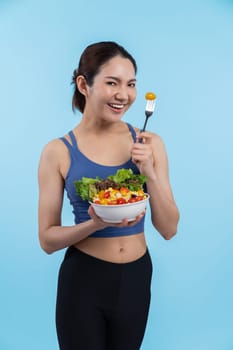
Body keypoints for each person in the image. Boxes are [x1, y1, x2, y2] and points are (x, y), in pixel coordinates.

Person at [38, 41, 179, 350]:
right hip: (84, 279)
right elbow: (47, 240)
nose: (123, 95)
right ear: (83, 85)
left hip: (136, 277)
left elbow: (169, 229)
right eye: (112, 83)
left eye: (130, 84)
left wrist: (150, 174)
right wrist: (93, 224)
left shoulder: (149, 143)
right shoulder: (58, 151)